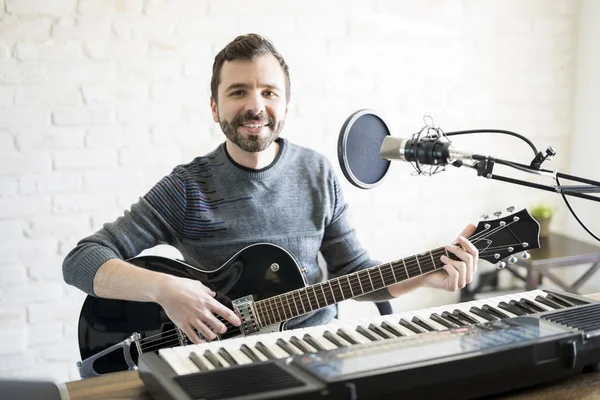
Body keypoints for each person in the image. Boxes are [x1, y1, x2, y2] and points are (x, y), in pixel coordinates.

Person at [63, 33, 479, 344]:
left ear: (286, 103)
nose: (255, 106)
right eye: (238, 92)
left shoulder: (318, 173)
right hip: (221, 363)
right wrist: (166, 290)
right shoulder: (188, 187)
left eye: (268, 92)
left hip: (317, 350)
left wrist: (425, 277)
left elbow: (356, 275)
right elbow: (81, 260)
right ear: (215, 107)